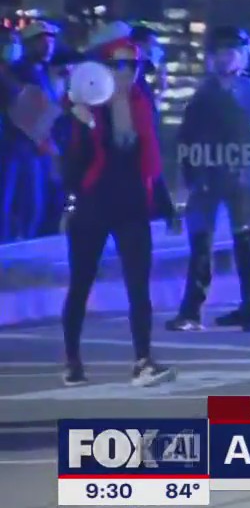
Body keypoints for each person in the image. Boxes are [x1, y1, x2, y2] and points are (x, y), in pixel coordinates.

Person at [60, 22, 180, 387]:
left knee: (138, 285)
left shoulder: (143, 104)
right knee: (81, 282)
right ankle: (72, 362)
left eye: (133, 65)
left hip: (131, 204)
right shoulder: (84, 106)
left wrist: (166, 203)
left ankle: (143, 360)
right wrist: (79, 123)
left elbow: (152, 159)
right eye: (119, 65)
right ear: (104, 69)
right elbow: (72, 162)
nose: (127, 72)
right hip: (93, 203)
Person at [166, 27, 250, 333]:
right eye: (219, 53)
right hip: (207, 176)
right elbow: (187, 136)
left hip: (243, 177)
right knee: (201, 244)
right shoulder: (202, 92)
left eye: (230, 52)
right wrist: (189, 175)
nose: (224, 59)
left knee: (248, 244)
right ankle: (191, 311)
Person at [0, 19, 61, 241]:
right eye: (43, 42)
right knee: (9, 205)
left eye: (51, 41)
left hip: (35, 151)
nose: (48, 46)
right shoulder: (16, 72)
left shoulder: (42, 71)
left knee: (33, 207)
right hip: (13, 149)